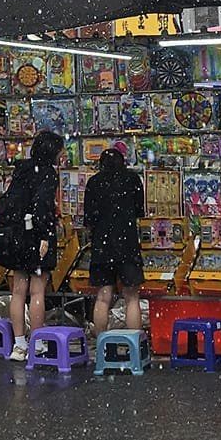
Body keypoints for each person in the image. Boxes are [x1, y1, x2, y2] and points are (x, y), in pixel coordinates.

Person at [0, 131, 64, 362]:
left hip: (17, 236)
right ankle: (38, 342)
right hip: (35, 236)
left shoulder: (22, 169)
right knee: (37, 291)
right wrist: (45, 234)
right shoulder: (47, 173)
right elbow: (42, 205)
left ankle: (19, 344)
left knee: (18, 291)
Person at [83, 144, 145, 339]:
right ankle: (134, 343)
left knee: (103, 296)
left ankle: (101, 343)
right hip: (128, 244)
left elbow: (89, 219)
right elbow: (139, 211)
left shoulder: (94, 182)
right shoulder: (132, 179)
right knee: (131, 297)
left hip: (102, 245)